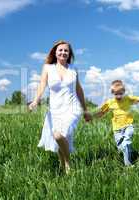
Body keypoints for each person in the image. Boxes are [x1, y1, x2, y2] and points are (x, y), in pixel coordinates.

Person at [29, 40, 91, 173]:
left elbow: (79, 90)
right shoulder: (48, 68)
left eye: (66, 50)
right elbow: (42, 85)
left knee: (58, 135)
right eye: (60, 50)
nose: (63, 52)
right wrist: (35, 101)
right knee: (63, 138)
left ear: (69, 54)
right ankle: (62, 164)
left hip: (72, 108)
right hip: (55, 110)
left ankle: (68, 163)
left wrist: (85, 110)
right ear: (55, 52)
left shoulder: (73, 69)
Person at [91, 80, 139, 166]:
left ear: (123, 92)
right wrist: (91, 117)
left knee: (126, 142)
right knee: (122, 148)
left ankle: (128, 166)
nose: (118, 96)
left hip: (128, 126)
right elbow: (102, 113)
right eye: (116, 94)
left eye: (120, 93)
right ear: (113, 93)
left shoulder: (128, 98)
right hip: (117, 130)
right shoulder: (110, 102)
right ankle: (129, 151)